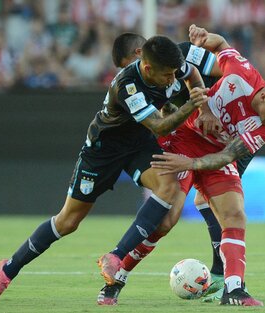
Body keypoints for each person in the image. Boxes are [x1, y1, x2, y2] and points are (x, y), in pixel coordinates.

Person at [0, 35, 209, 304]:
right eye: (167, 75)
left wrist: (204, 108)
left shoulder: (172, 66)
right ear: (148, 69)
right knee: (68, 222)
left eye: (174, 73)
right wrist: (190, 106)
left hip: (138, 146)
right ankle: (7, 270)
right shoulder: (127, 85)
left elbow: (192, 73)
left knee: (167, 185)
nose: (173, 80)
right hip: (102, 151)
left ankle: (115, 256)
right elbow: (160, 127)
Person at [149, 24, 265, 306]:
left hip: (234, 146)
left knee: (225, 208)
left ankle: (228, 281)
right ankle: (224, 279)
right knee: (207, 202)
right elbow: (221, 45)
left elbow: (230, 155)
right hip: (207, 136)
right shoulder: (240, 73)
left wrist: (191, 163)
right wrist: (206, 38)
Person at [97, 32, 226, 305]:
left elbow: (221, 67)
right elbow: (160, 119)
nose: (126, 73)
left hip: (218, 134)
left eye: (127, 66)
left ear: (139, 55)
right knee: (165, 222)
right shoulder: (135, 84)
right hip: (182, 142)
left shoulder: (175, 59)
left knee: (222, 205)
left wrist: (208, 107)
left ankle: (224, 279)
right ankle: (117, 278)